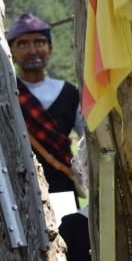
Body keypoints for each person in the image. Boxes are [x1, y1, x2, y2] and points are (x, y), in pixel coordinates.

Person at [6, 12, 84, 200]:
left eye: (39, 42)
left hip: (62, 189)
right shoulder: (6, 96)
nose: (32, 50)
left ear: (50, 48)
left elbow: (87, 141)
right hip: (17, 191)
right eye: (22, 44)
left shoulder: (70, 93)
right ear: (11, 53)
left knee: (65, 229)